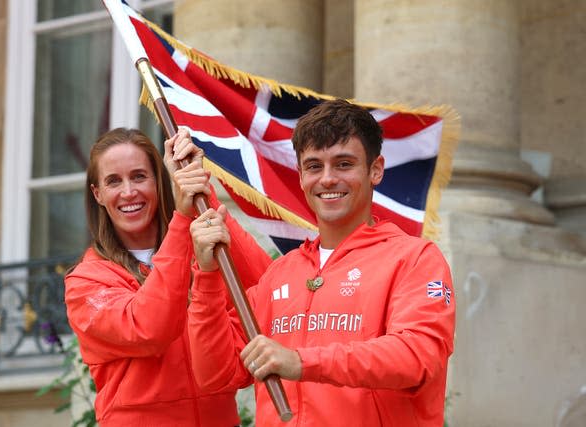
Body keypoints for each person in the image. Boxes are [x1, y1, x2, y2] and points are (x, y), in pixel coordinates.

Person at [187, 99, 456, 426]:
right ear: (300, 176)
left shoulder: (415, 259)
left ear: (375, 169)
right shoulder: (280, 274)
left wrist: (301, 362)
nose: (327, 179)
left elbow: (416, 357)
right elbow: (216, 374)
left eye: (343, 164)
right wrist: (207, 276)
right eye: (314, 166)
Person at [64, 127, 272, 426]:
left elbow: (268, 290)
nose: (128, 192)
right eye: (113, 181)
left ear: (159, 182)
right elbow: (148, 328)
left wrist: (202, 195)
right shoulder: (86, 281)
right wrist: (183, 220)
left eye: (139, 176)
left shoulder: (198, 252)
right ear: (97, 194)